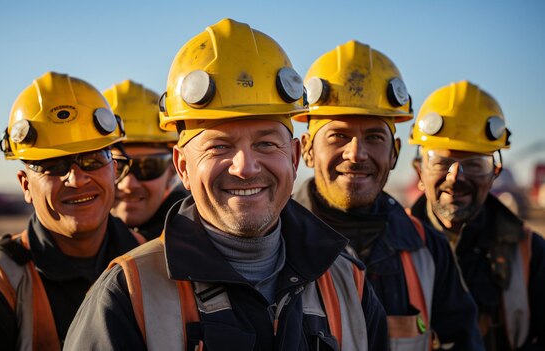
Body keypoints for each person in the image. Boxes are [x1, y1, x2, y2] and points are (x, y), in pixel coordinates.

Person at [64, 18, 388, 350]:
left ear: (293, 157)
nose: (245, 167)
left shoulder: (350, 284)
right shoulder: (126, 295)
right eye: (219, 146)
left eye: (265, 144)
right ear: (183, 168)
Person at [0, 72, 141, 350]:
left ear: (114, 170)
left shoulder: (155, 262)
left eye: (92, 159)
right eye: (54, 165)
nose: (77, 179)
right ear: (25, 185)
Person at [291, 41, 484, 350]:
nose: (356, 154)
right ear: (308, 151)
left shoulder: (428, 250)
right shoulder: (270, 246)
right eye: (338, 135)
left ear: (394, 154)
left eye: (374, 137)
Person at [409, 80, 545, 350]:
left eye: (474, 164)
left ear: (494, 174)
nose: (455, 177)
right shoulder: (392, 246)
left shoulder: (532, 254)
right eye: (442, 162)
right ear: (419, 171)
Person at [103, 80, 188, 243]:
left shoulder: (195, 237)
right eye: (116, 168)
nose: (128, 185)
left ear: (174, 168)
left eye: (147, 167)